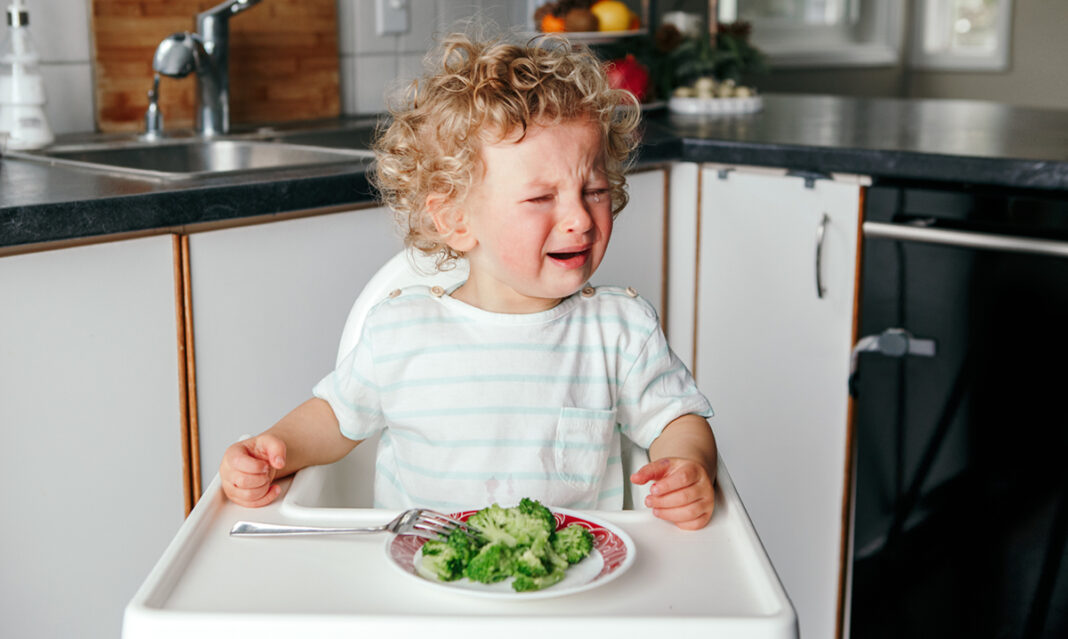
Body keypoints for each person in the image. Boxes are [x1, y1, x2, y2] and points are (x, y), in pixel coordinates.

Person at [220, 32, 719, 530]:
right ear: (455, 220)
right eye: (541, 198)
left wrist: (690, 467)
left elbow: (676, 419)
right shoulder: (401, 331)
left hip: (570, 589)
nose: (580, 219)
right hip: (425, 583)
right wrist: (273, 450)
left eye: (594, 189)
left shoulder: (620, 331)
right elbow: (333, 417)